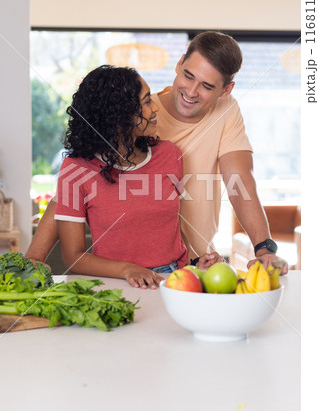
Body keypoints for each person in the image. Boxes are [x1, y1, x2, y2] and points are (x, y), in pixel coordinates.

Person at [26, 31, 288, 275]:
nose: (191, 92)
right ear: (179, 63)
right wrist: (33, 260)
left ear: (225, 90)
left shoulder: (223, 113)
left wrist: (263, 247)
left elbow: (239, 182)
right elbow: (74, 185)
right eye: (188, 75)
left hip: (191, 263)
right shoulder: (132, 115)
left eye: (207, 86)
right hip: (130, 271)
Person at [49, 65, 214, 289]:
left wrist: (196, 262)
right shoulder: (76, 168)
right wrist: (127, 269)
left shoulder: (169, 154)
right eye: (146, 101)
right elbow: (73, 256)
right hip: (114, 283)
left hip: (173, 279)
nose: (155, 108)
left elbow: (172, 227)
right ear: (119, 114)